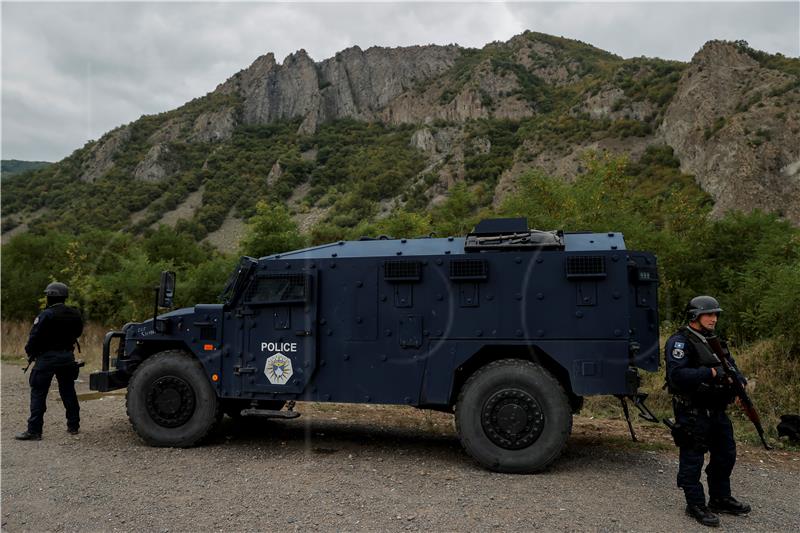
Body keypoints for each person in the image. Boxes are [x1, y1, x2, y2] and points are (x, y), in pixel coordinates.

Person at [665, 295, 751, 527]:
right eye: (709, 314)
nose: (714, 319)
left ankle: (720, 498)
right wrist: (710, 373)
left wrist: (739, 382)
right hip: (693, 412)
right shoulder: (680, 342)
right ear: (695, 316)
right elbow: (677, 376)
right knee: (692, 459)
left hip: (717, 410)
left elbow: (731, 366)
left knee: (726, 455)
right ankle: (695, 504)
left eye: (716, 314)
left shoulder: (714, 341)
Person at [15, 282, 84, 440]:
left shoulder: (46, 314)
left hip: (47, 358)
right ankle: (73, 426)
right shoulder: (74, 313)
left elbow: (34, 337)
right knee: (68, 390)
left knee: (39, 392)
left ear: (50, 297)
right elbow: (78, 332)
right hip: (67, 357)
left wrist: (30, 352)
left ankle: (34, 431)